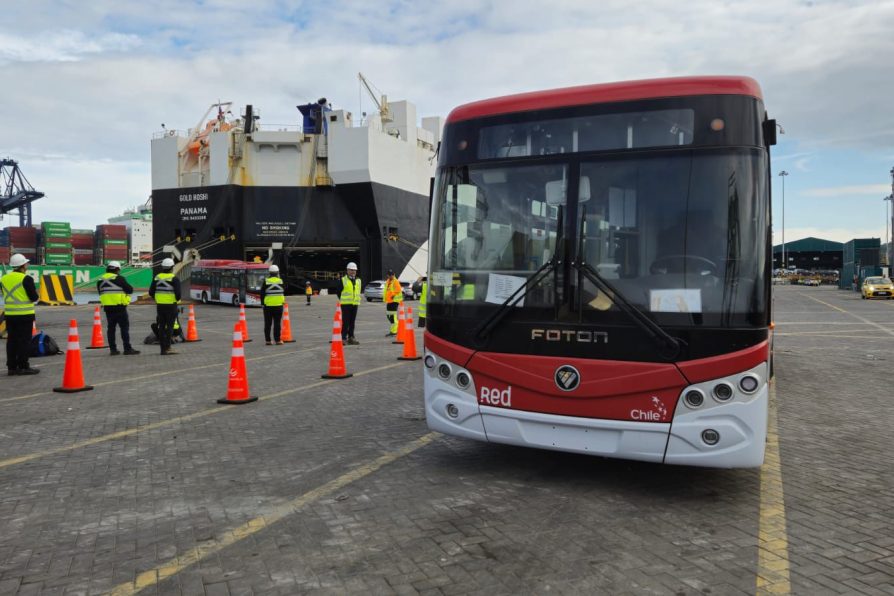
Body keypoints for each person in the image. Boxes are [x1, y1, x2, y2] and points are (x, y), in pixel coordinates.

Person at [1, 253, 40, 375]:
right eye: (26, 263)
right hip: (25, 315)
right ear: (23, 265)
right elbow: (34, 297)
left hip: (10, 315)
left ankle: (11, 367)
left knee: (12, 341)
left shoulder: (3, 279)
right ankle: (23, 366)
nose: (27, 264)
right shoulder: (26, 279)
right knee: (24, 341)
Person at [96, 261, 140, 356]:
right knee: (124, 328)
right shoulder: (120, 279)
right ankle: (127, 349)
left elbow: (101, 294)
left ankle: (113, 350)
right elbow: (130, 290)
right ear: (117, 269)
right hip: (120, 308)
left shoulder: (100, 281)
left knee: (111, 329)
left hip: (108, 309)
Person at [148, 257, 181, 355]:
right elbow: (178, 294)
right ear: (172, 267)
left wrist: (158, 298)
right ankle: (168, 347)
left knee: (161, 327)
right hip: (171, 306)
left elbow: (151, 292)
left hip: (160, 306)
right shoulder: (174, 278)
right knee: (170, 327)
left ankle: (162, 349)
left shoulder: (157, 277)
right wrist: (174, 300)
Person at [260, 264, 285, 345]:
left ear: (269, 272)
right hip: (278, 305)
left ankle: (268, 340)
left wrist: (262, 304)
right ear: (277, 272)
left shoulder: (266, 281)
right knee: (277, 323)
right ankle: (277, 340)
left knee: (268, 323)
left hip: (268, 306)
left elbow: (262, 293)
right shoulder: (281, 281)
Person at [340, 262, 361, 345]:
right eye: (351, 270)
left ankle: (351, 337)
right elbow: (339, 292)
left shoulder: (358, 280)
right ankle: (343, 338)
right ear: (347, 270)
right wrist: (343, 300)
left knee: (352, 322)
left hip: (355, 304)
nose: (353, 272)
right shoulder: (343, 280)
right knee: (346, 322)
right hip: (346, 304)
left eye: (354, 270)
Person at [383, 269, 403, 337]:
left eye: (392, 274)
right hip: (389, 301)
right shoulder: (388, 281)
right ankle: (394, 329)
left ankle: (394, 331)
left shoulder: (395, 281)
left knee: (393, 316)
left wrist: (393, 295)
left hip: (394, 301)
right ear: (387, 275)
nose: (391, 276)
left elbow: (398, 290)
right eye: (390, 275)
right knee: (389, 315)